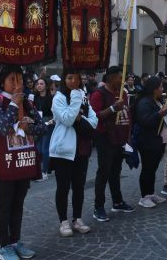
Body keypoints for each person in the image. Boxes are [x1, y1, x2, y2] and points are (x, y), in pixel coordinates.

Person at [0, 65, 47, 260]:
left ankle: (15, 241)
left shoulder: (27, 102)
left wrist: (29, 126)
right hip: (4, 159)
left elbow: (42, 128)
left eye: (20, 79)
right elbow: (2, 127)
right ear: (3, 82)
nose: (17, 83)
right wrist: (13, 105)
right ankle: (4, 247)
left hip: (24, 157)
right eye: (13, 79)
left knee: (18, 203)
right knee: (4, 203)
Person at [49, 69, 98, 237]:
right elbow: (68, 119)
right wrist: (76, 101)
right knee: (63, 187)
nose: (73, 81)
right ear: (64, 79)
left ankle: (77, 218)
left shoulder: (83, 98)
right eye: (70, 78)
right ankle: (63, 221)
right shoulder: (59, 98)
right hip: (64, 150)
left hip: (82, 149)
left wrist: (80, 117)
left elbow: (94, 120)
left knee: (79, 187)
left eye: (76, 78)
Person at [89, 66, 135, 222]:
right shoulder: (98, 94)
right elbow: (95, 116)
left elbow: (128, 114)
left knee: (116, 171)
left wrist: (128, 137)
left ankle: (117, 201)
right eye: (119, 77)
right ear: (110, 78)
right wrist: (113, 108)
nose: (122, 81)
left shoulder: (122, 94)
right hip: (105, 138)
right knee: (104, 172)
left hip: (119, 138)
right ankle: (99, 207)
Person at [134, 76, 167, 208]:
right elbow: (144, 121)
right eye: (160, 86)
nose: (162, 89)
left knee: (153, 168)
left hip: (156, 139)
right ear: (154, 89)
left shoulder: (156, 101)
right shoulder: (144, 102)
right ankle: (144, 196)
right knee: (147, 168)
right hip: (146, 140)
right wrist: (159, 114)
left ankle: (151, 192)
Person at [33, 78, 54, 181]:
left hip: (48, 123)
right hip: (38, 123)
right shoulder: (35, 98)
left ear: (46, 86)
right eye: (37, 84)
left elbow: (55, 113)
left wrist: (51, 121)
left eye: (41, 83)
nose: (39, 85)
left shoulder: (51, 98)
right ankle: (40, 170)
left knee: (45, 148)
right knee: (38, 147)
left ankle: (44, 171)